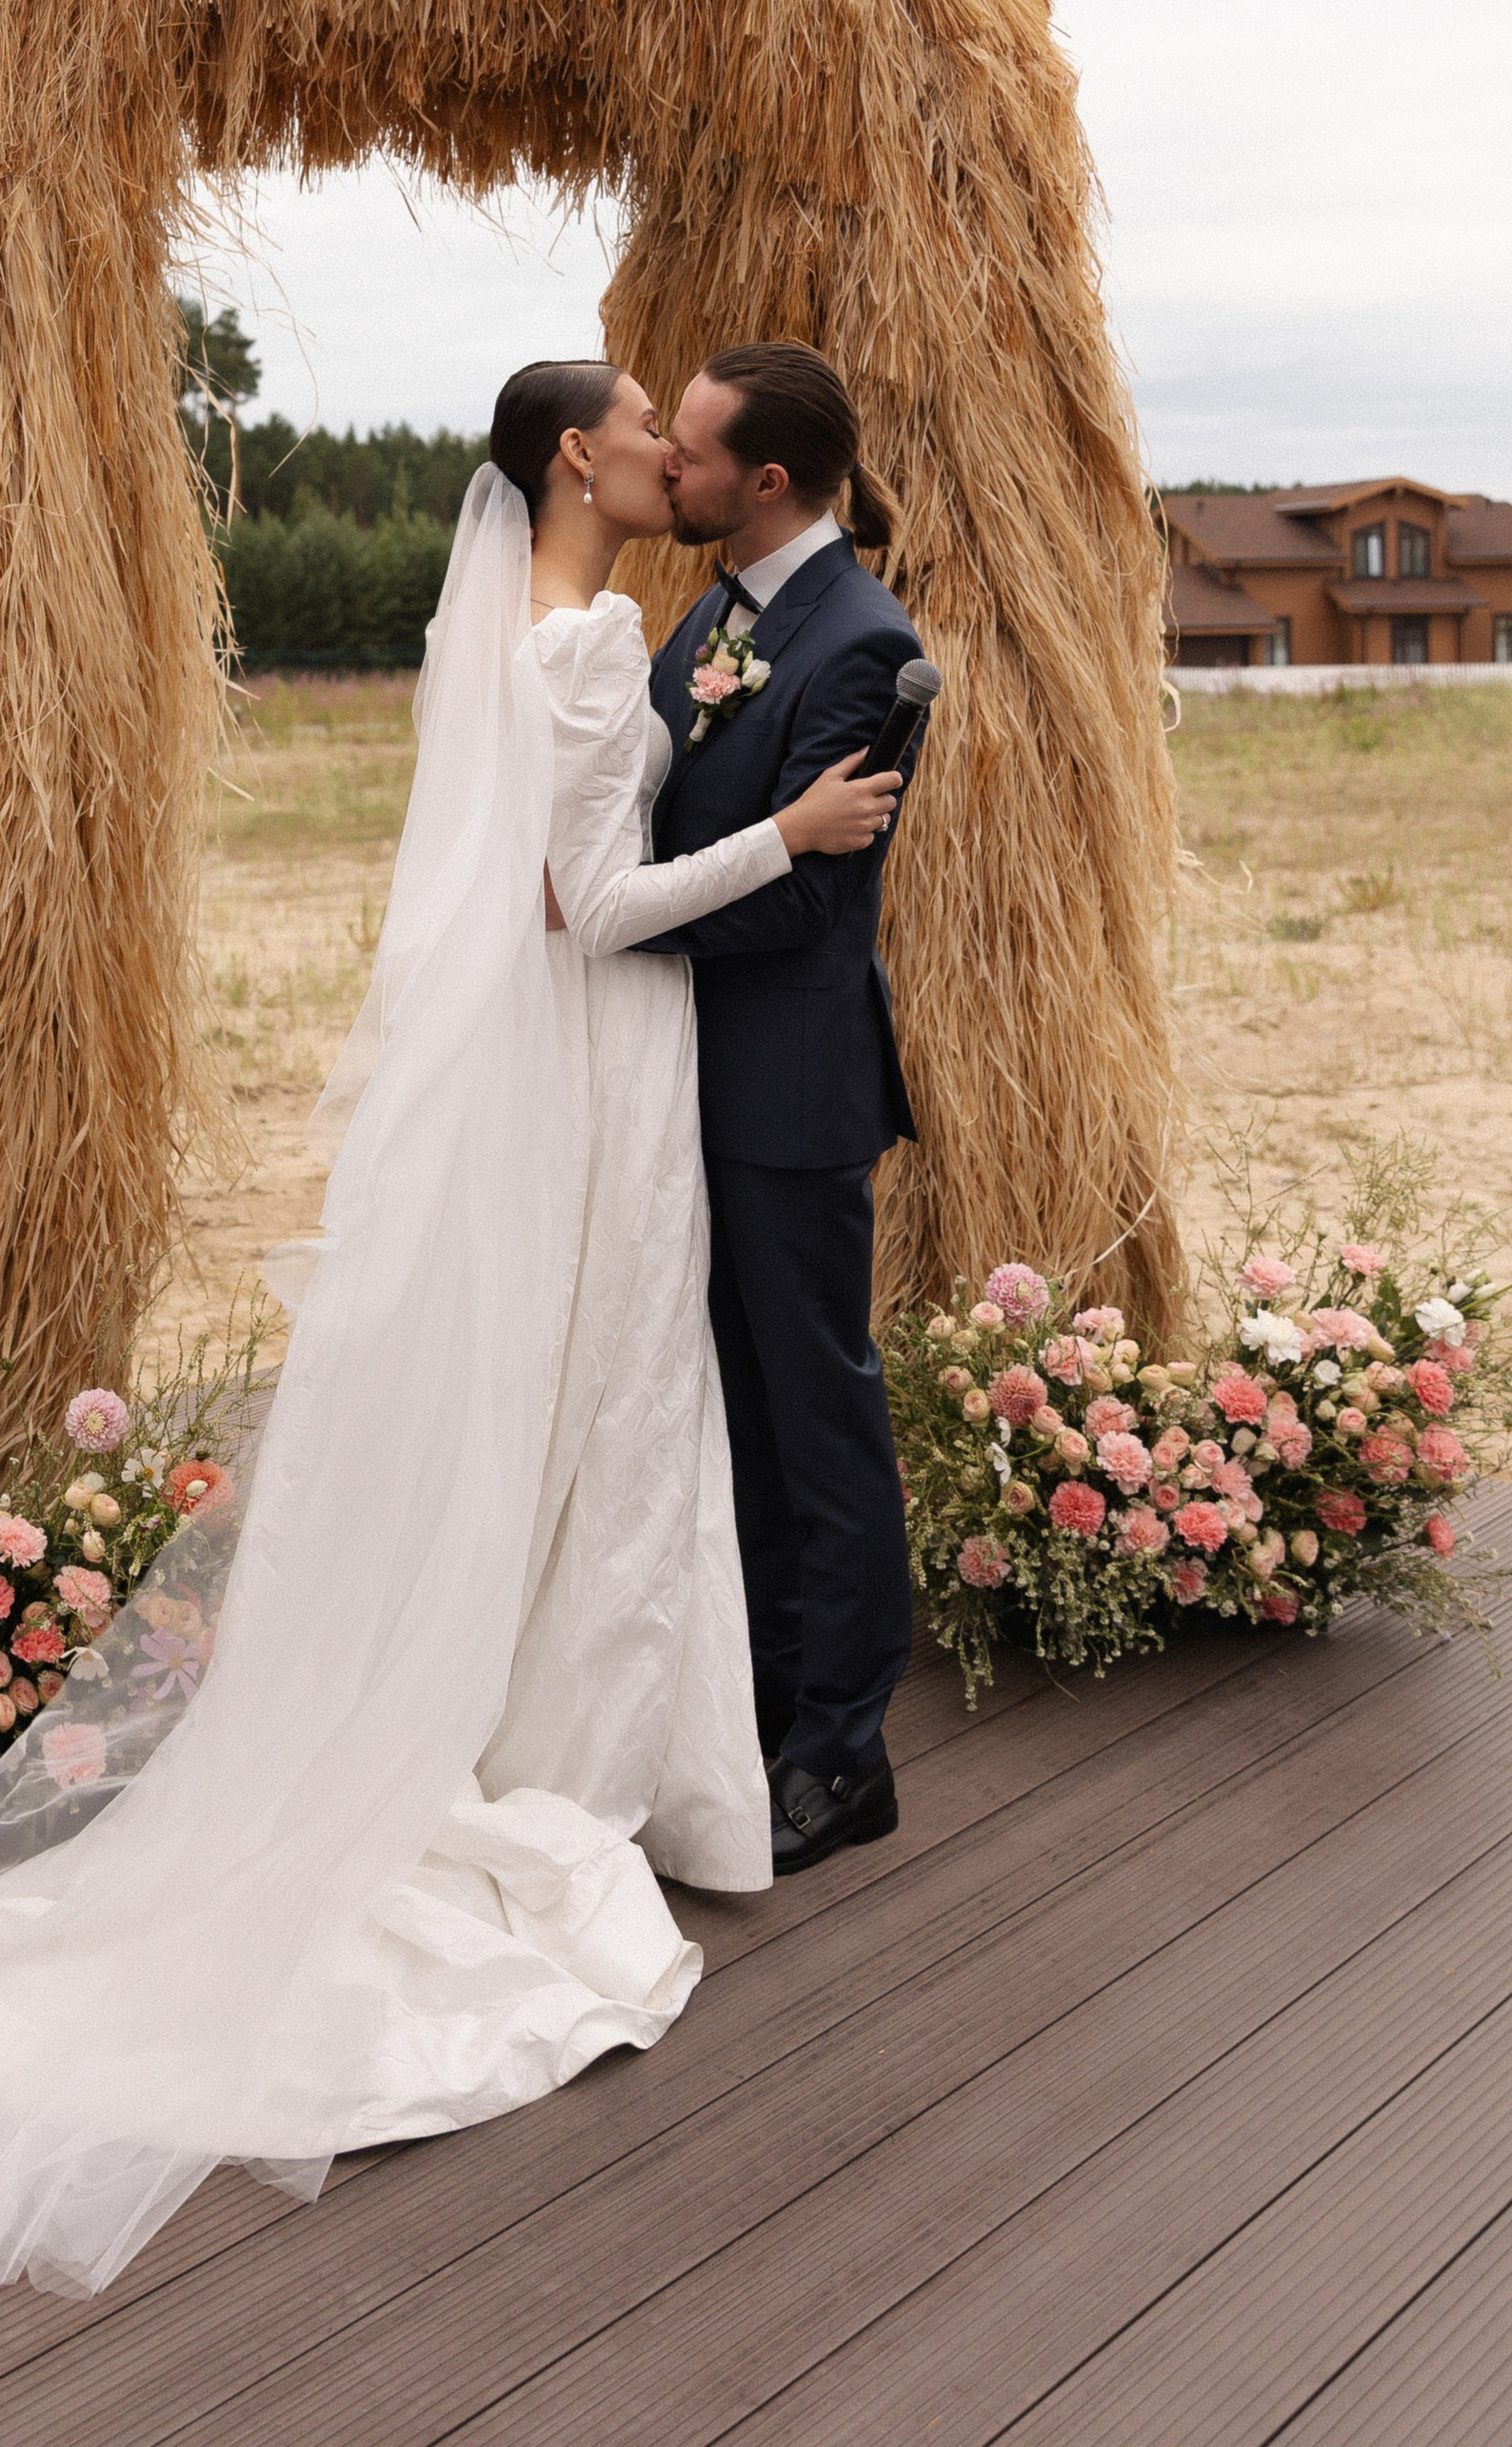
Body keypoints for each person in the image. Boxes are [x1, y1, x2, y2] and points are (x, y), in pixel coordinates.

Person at [0, 360, 902, 2300]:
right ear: (575, 457)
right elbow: (589, 908)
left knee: (595, 1397)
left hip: (585, 1069)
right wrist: (780, 839)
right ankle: (607, 1756)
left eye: (684, 438)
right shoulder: (595, 631)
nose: (664, 456)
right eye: (643, 430)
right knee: (617, 1397)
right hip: (608, 1051)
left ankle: (594, 1719)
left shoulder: (554, 624)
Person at [637, 342, 924, 1878]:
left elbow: (802, 906)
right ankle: (757, 1700)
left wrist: (613, 916)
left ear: (763, 482)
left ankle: (846, 1747)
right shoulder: (718, 612)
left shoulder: (867, 649)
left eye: (689, 452)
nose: (667, 469)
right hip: (687, 1074)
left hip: (791, 1085)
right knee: (736, 1408)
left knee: (818, 1411)